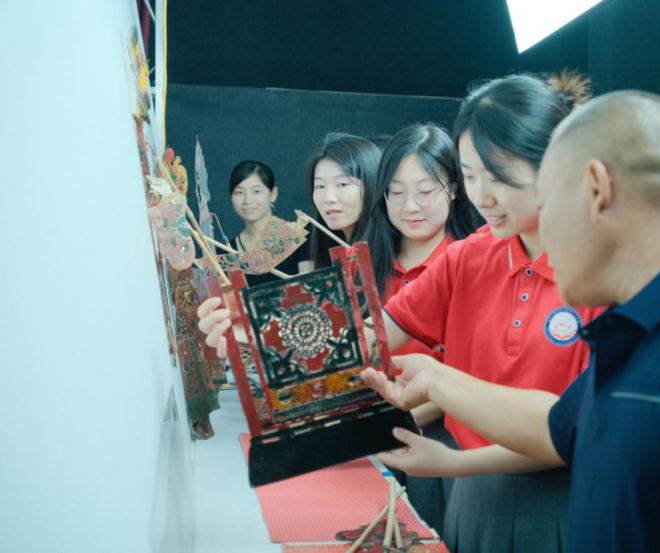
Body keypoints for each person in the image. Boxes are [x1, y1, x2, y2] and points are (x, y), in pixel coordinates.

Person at [360, 91, 660, 553]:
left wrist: (438, 383)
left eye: (549, 200)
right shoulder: (633, 324)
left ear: (596, 189)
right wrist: (435, 383)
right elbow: (558, 428)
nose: (537, 233)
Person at [198, 71, 605, 553]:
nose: (483, 197)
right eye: (472, 176)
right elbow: (363, 339)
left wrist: (448, 435)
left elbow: (573, 430)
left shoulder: (602, 272)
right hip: (473, 497)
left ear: (556, 165)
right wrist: (253, 332)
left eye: (499, 177)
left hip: (567, 503)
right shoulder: (469, 257)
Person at [358, 123, 477, 534]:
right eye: (396, 192)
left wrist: (390, 429)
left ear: (455, 188)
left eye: (425, 191)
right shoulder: (368, 263)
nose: (410, 206)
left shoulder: (470, 263)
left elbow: (463, 372)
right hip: (374, 437)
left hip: (441, 439)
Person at [303, 133, 381, 270]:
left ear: (371, 184)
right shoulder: (329, 245)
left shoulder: (389, 254)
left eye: (342, 184)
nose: (329, 198)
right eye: (320, 186)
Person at [226, 160, 305, 285]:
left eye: (256, 191)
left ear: (273, 193)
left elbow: (312, 289)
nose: (247, 200)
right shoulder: (226, 252)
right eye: (239, 192)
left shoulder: (299, 236)